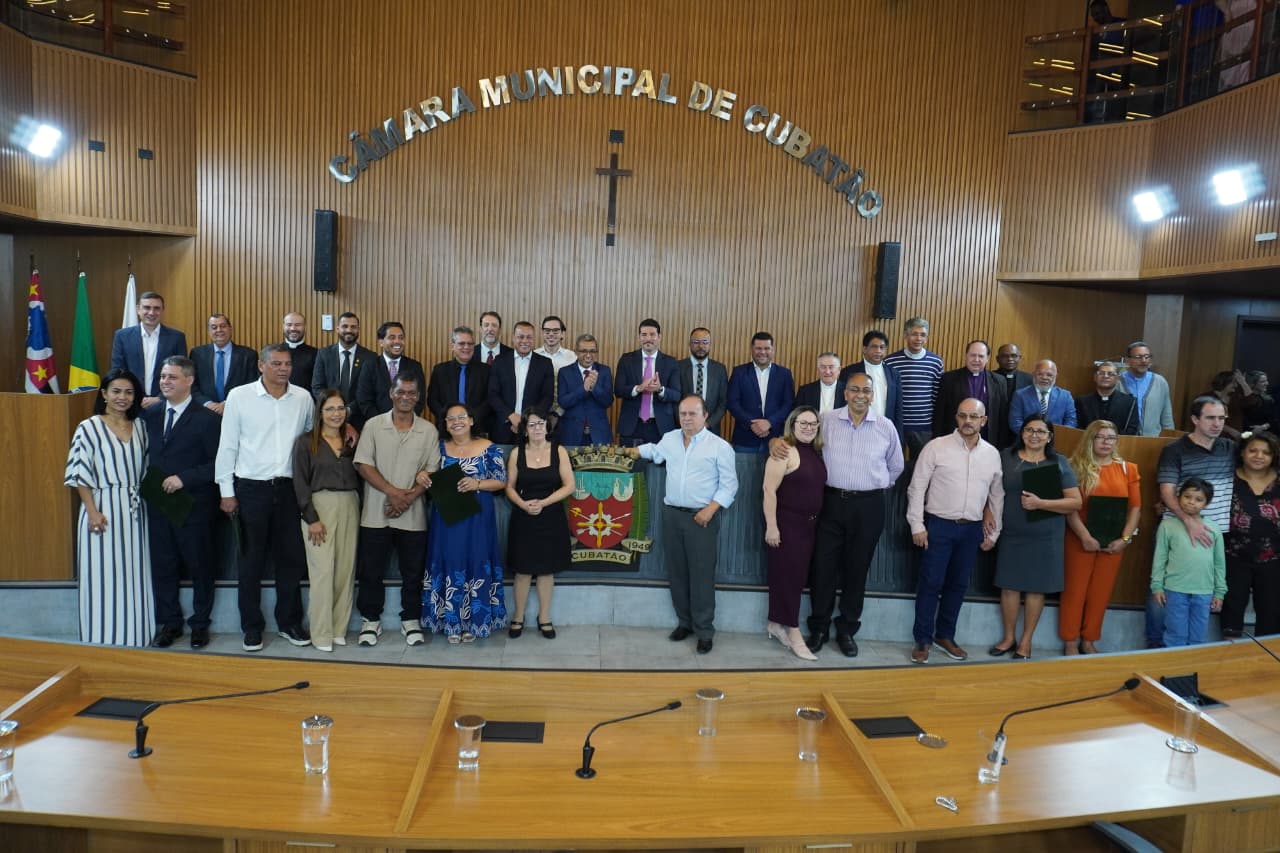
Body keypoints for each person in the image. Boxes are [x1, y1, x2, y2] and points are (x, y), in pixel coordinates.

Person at [785, 373, 904, 657]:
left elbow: (896, 467)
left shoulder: (886, 427)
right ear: (845, 393)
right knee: (822, 568)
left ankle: (847, 629)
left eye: (866, 390)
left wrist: (872, 484)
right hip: (830, 503)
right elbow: (799, 441)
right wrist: (777, 443)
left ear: (872, 395)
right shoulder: (825, 421)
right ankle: (819, 628)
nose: (860, 395)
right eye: (854, 390)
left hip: (869, 506)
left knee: (857, 569)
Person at [214, 344, 314, 652]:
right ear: (261, 365)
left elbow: (311, 438)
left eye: (287, 364)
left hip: (288, 489)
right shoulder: (239, 396)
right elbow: (228, 445)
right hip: (250, 489)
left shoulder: (303, 398)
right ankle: (251, 627)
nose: (283, 369)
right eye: (276, 363)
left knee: (290, 561)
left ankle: (289, 623)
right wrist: (226, 491)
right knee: (250, 561)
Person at [631, 395, 738, 654]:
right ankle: (685, 623)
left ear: (705, 416)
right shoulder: (670, 438)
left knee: (701, 576)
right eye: (683, 413)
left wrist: (710, 510)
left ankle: (704, 631)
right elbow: (654, 452)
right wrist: (631, 451)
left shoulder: (720, 447)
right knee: (677, 572)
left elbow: (730, 485)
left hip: (701, 518)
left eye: (692, 413)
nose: (687, 418)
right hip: (672, 515)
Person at [906, 398, 1003, 664]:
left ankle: (945, 635)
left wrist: (993, 533)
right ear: (956, 418)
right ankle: (923, 639)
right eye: (963, 416)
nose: (968, 421)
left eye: (974, 416)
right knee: (930, 583)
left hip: (971, 529)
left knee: (958, 585)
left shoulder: (992, 454)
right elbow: (916, 488)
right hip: (938, 526)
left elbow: (996, 497)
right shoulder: (936, 447)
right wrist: (917, 524)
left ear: (984, 420)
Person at [64, 369, 154, 647]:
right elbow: (79, 474)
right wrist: (91, 511)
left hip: (136, 511)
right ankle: (101, 639)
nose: (122, 397)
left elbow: (150, 469)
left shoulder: (140, 426)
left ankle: (138, 635)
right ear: (103, 394)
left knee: (135, 574)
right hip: (102, 510)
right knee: (103, 576)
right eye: (116, 391)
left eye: (128, 392)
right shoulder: (88, 427)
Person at [352, 373, 440, 647]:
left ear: (418, 397)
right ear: (391, 393)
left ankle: (410, 619)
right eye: (401, 392)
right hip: (376, 513)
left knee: (413, 571)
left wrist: (408, 497)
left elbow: (432, 469)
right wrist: (394, 493)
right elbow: (363, 464)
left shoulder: (429, 430)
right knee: (371, 570)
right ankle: (370, 620)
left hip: (412, 514)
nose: (406, 398)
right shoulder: (373, 425)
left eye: (412, 393)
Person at [142, 356, 221, 650]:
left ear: (189, 381)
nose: (165, 382)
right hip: (159, 504)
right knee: (163, 566)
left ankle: (200, 625)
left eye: (172, 377)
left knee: (200, 566)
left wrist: (184, 478)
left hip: (194, 504)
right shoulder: (149, 414)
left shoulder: (208, 419)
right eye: (163, 376)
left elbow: (219, 464)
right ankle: (170, 623)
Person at [988, 416, 1081, 660]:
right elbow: (990, 489)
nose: (1034, 435)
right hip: (1012, 533)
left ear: (1049, 436)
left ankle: (1026, 642)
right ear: (1022, 433)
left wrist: (1042, 503)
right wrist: (988, 510)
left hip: (1045, 536)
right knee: (1009, 586)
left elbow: (1075, 502)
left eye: (1041, 431)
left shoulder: (1058, 461)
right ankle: (1008, 638)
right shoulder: (1005, 457)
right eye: (1029, 430)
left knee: (1035, 590)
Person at [1150, 396, 1234, 647]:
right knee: (1162, 602)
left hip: (1215, 531)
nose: (1217, 424)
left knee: (1199, 615)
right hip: (1178, 527)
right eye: (1210, 418)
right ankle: (1155, 653)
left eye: (1221, 418)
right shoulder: (1175, 450)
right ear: (1195, 420)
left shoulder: (1230, 448)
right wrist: (1189, 521)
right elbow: (1166, 491)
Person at [421, 403, 508, 642]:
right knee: (450, 560)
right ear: (446, 424)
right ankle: (451, 621)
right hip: (447, 517)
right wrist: (422, 475)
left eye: (461, 417)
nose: (456, 422)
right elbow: (426, 473)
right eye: (451, 419)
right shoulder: (437, 448)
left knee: (476, 559)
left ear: (471, 420)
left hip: (478, 517)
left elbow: (501, 481)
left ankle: (474, 621)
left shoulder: (488, 448)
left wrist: (477, 483)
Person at [1061, 419, 1142, 655]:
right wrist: (1084, 536)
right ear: (1090, 439)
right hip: (1079, 540)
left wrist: (1124, 539)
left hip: (1113, 544)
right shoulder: (1074, 466)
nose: (1106, 442)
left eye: (1111, 438)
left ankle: (1089, 639)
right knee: (1075, 591)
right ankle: (1069, 640)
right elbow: (1070, 507)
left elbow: (1136, 509)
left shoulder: (1128, 469)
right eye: (1101, 437)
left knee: (1100, 593)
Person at [293, 389, 361, 652]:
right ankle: (321, 633)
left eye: (341, 408)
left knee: (345, 569)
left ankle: (338, 628)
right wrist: (311, 518)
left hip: (350, 504)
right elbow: (300, 482)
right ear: (320, 412)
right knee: (322, 572)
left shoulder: (351, 441)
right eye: (330, 409)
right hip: (319, 507)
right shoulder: (306, 442)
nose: (336, 414)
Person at [505, 406, 575, 639]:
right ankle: (518, 616)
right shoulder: (517, 453)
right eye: (532, 424)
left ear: (548, 427)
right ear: (524, 429)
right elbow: (509, 488)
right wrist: (524, 505)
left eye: (541, 423)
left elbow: (569, 486)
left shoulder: (559, 451)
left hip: (551, 514)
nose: (537, 428)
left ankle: (544, 617)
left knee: (546, 571)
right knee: (523, 571)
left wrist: (544, 502)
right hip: (524, 515)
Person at [761, 407, 825, 661]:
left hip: (809, 527)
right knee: (788, 580)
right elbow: (768, 490)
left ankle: (775, 624)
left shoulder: (815, 453)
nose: (808, 427)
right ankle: (794, 632)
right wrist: (772, 526)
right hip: (786, 526)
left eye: (813, 423)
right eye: (803, 423)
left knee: (795, 579)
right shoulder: (783, 451)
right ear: (792, 424)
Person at [1151, 477, 1226, 647]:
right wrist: (1157, 586)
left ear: (1206, 504)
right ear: (1179, 497)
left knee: (1198, 637)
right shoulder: (1167, 526)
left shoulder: (1214, 528)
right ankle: (1174, 670)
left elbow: (1219, 563)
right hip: (1175, 589)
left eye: (1198, 499)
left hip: (1204, 591)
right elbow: (1160, 558)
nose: (1191, 502)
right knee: (1175, 634)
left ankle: (1194, 670)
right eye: (1187, 496)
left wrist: (1219, 592)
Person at [1222, 432, 1280, 637]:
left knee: (1271, 613)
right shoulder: (1228, 479)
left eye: (1266, 452)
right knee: (1232, 610)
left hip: (1274, 559)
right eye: (1253, 450)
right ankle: (1229, 663)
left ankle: (1265, 664)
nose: (1259, 456)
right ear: (1242, 453)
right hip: (1233, 556)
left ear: (1273, 456)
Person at [109, 291, 187, 409]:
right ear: (138, 309)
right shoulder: (122, 336)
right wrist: (133, 396)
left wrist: (161, 398)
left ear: (162, 311)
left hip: (164, 404)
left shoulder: (177, 337)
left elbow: (181, 373)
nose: (151, 312)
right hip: (131, 403)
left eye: (156, 308)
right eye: (147, 308)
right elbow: (118, 370)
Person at [883, 317, 944, 458]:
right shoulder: (890, 361)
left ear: (927, 338)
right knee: (894, 464)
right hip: (897, 424)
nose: (918, 338)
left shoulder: (936, 362)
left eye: (923, 335)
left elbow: (936, 395)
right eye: (914, 334)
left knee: (923, 466)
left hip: (923, 426)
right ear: (905, 335)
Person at [616, 318, 681, 446]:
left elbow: (677, 394)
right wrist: (638, 388)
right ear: (639, 337)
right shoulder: (626, 360)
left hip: (660, 427)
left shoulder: (670, 362)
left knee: (659, 465)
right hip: (632, 426)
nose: (648, 339)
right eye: (644, 335)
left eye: (652, 334)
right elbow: (618, 390)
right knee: (631, 465)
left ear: (659, 337)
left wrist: (660, 389)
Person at [488, 321, 555, 444]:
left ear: (534, 339)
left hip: (533, 429)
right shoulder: (499, 362)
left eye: (529, 337)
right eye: (520, 336)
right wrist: (511, 416)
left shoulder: (545, 364)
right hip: (503, 426)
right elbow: (493, 394)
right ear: (513, 338)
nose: (525, 341)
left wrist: (527, 421)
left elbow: (547, 397)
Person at [727, 332, 795, 451]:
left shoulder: (784, 374)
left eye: (766, 348)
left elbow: (788, 404)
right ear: (752, 349)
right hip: (745, 439)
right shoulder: (739, 372)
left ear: (773, 350)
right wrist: (751, 424)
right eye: (758, 348)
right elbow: (732, 403)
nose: (762, 352)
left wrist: (770, 422)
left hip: (775, 438)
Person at [934, 340, 1009, 448]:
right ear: (966, 356)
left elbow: (1002, 416)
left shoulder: (999, 381)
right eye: (973, 355)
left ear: (987, 358)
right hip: (955, 440)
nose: (976, 360)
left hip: (987, 441)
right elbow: (940, 414)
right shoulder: (949, 379)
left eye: (981, 356)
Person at [355, 321, 426, 426]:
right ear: (381, 342)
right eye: (392, 337)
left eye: (401, 337)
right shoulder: (370, 366)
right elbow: (364, 400)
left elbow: (419, 399)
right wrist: (383, 423)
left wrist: (403, 420)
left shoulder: (415, 366)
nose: (397, 341)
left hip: (407, 426)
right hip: (378, 427)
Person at [427, 325, 492, 432]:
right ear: (452, 346)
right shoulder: (440, 370)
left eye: (470, 344)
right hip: (447, 428)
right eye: (462, 343)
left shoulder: (486, 371)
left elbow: (489, 400)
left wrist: (471, 418)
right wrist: (448, 418)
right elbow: (432, 400)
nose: (466, 347)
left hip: (477, 428)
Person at [190, 313, 258, 415]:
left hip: (238, 412)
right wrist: (208, 404)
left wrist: (227, 404)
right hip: (205, 412)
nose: (219, 330)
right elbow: (191, 385)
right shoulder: (197, 354)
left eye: (223, 326)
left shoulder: (248, 355)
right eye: (214, 327)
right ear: (209, 332)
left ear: (230, 329)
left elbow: (252, 385)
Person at [840, 329, 903, 435]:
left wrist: (899, 436)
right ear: (864, 349)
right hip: (855, 428)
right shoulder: (849, 372)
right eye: (874, 347)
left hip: (884, 429)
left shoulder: (894, 374)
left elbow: (898, 408)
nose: (878, 351)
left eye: (882, 347)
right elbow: (841, 403)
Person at [311, 312, 375, 414]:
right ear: (337, 329)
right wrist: (334, 408)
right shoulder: (324, 354)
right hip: (330, 415)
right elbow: (317, 387)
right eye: (345, 326)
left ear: (358, 329)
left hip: (359, 416)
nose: (349, 330)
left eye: (353, 327)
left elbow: (369, 390)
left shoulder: (370, 357)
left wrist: (349, 410)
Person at [556, 333, 614, 445]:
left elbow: (608, 401)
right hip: (571, 434)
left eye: (592, 351)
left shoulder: (604, 371)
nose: (588, 355)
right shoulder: (564, 372)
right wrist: (583, 389)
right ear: (576, 352)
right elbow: (563, 402)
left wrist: (594, 387)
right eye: (583, 351)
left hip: (599, 435)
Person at [679, 327, 728, 435]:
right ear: (689, 344)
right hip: (683, 429)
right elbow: (674, 401)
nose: (701, 346)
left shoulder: (720, 369)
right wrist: (686, 422)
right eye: (696, 342)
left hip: (711, 430)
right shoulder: (678, 367)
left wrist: (707, 423)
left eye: (705, 342)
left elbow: (723, 403)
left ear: (710, 344)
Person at [1120, 341, 1174, 436]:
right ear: (1127, 360)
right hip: (1123, 440)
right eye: (1138, 357)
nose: (1144, 360)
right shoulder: (1118, 382)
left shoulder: (1160, 382)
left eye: (1147, 356)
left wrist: (1169, 438)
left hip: (1152, 440)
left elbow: (1167, 417)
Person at [1009, 359, 1077, 432]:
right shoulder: (1020, 395)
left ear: (1055, 376)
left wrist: (1053, 436)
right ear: (1034, 374)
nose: (1044, 377)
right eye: (1040, 374)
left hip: (1056, 440)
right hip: (1028, 440)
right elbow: (1015, 422)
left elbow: (1071, 421)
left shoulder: (1065, 396)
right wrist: (1034, 435)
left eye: (1049, 375)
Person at [1075, 362, 1140, 436]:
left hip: (1119, 445)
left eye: (1110, 374)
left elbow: (1132, 430)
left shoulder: (1130, 402)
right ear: (1095, 377)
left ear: (1117, 378)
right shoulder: (1082, 401)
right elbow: (1079, 428)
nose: (1105, 376)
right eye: (1101, 373)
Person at [282, 312, 317, 391]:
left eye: (298, 325)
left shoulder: (316, 354)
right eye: (289, 324)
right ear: (283, 326)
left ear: (305, 327)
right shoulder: (273, 353)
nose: (293, 328)